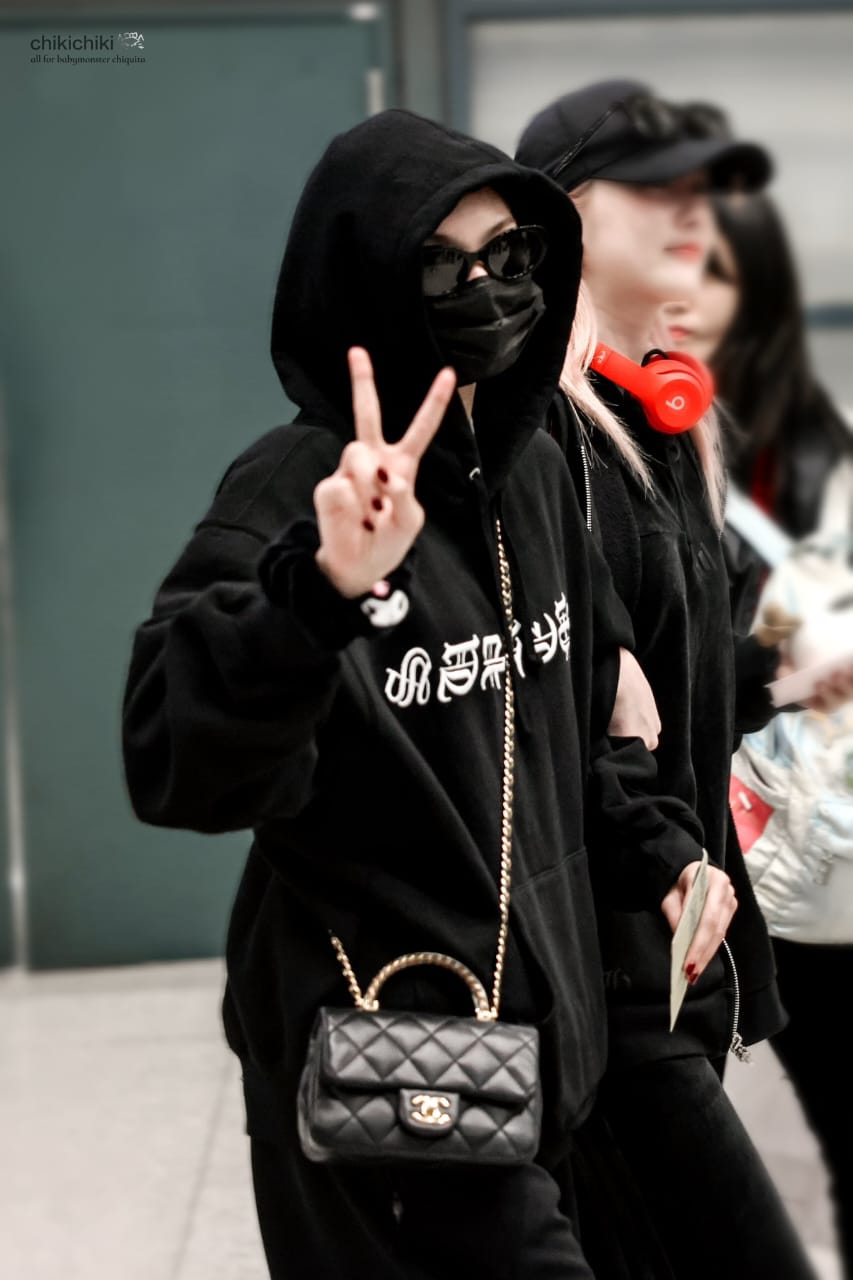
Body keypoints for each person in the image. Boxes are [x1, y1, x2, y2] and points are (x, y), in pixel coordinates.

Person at [120, 109, 733, 1280]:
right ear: (364, 282)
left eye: (509, 253)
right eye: (441, 265)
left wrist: (660, 852)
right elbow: (174, 760)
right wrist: (321, 594)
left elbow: (581, 717)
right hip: (383, 1066)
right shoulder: (294, 493)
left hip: (536, 1050)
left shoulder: (535, 467)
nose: (485, 288)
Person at [516, 79, 821, 1279]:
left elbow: (693, 678)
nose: (693, 212)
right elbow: (570, 708)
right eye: (657, 188)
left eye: (703, 189)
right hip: (602, 967)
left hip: (680, 955)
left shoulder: (665, 422)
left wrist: (796, 666)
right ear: (567, 214)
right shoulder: (539, 435)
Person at [667, 188, 853, 1280]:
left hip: (799, 840)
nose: (688, 291)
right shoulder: (619, 430)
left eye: (719, 271)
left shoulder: (801, 436)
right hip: (697, 839)